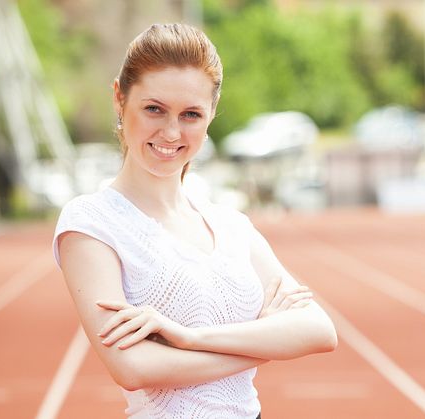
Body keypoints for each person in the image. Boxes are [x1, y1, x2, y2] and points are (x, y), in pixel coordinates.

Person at [52, 23, 338, 419]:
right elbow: (133, 368)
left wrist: (189, 338)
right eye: (154, 108)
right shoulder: (91, 223)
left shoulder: (231, 225)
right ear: (119, 98)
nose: (171, 132)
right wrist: (264, 344)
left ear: (211, 115)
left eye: (191, 114)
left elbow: (319, 330)